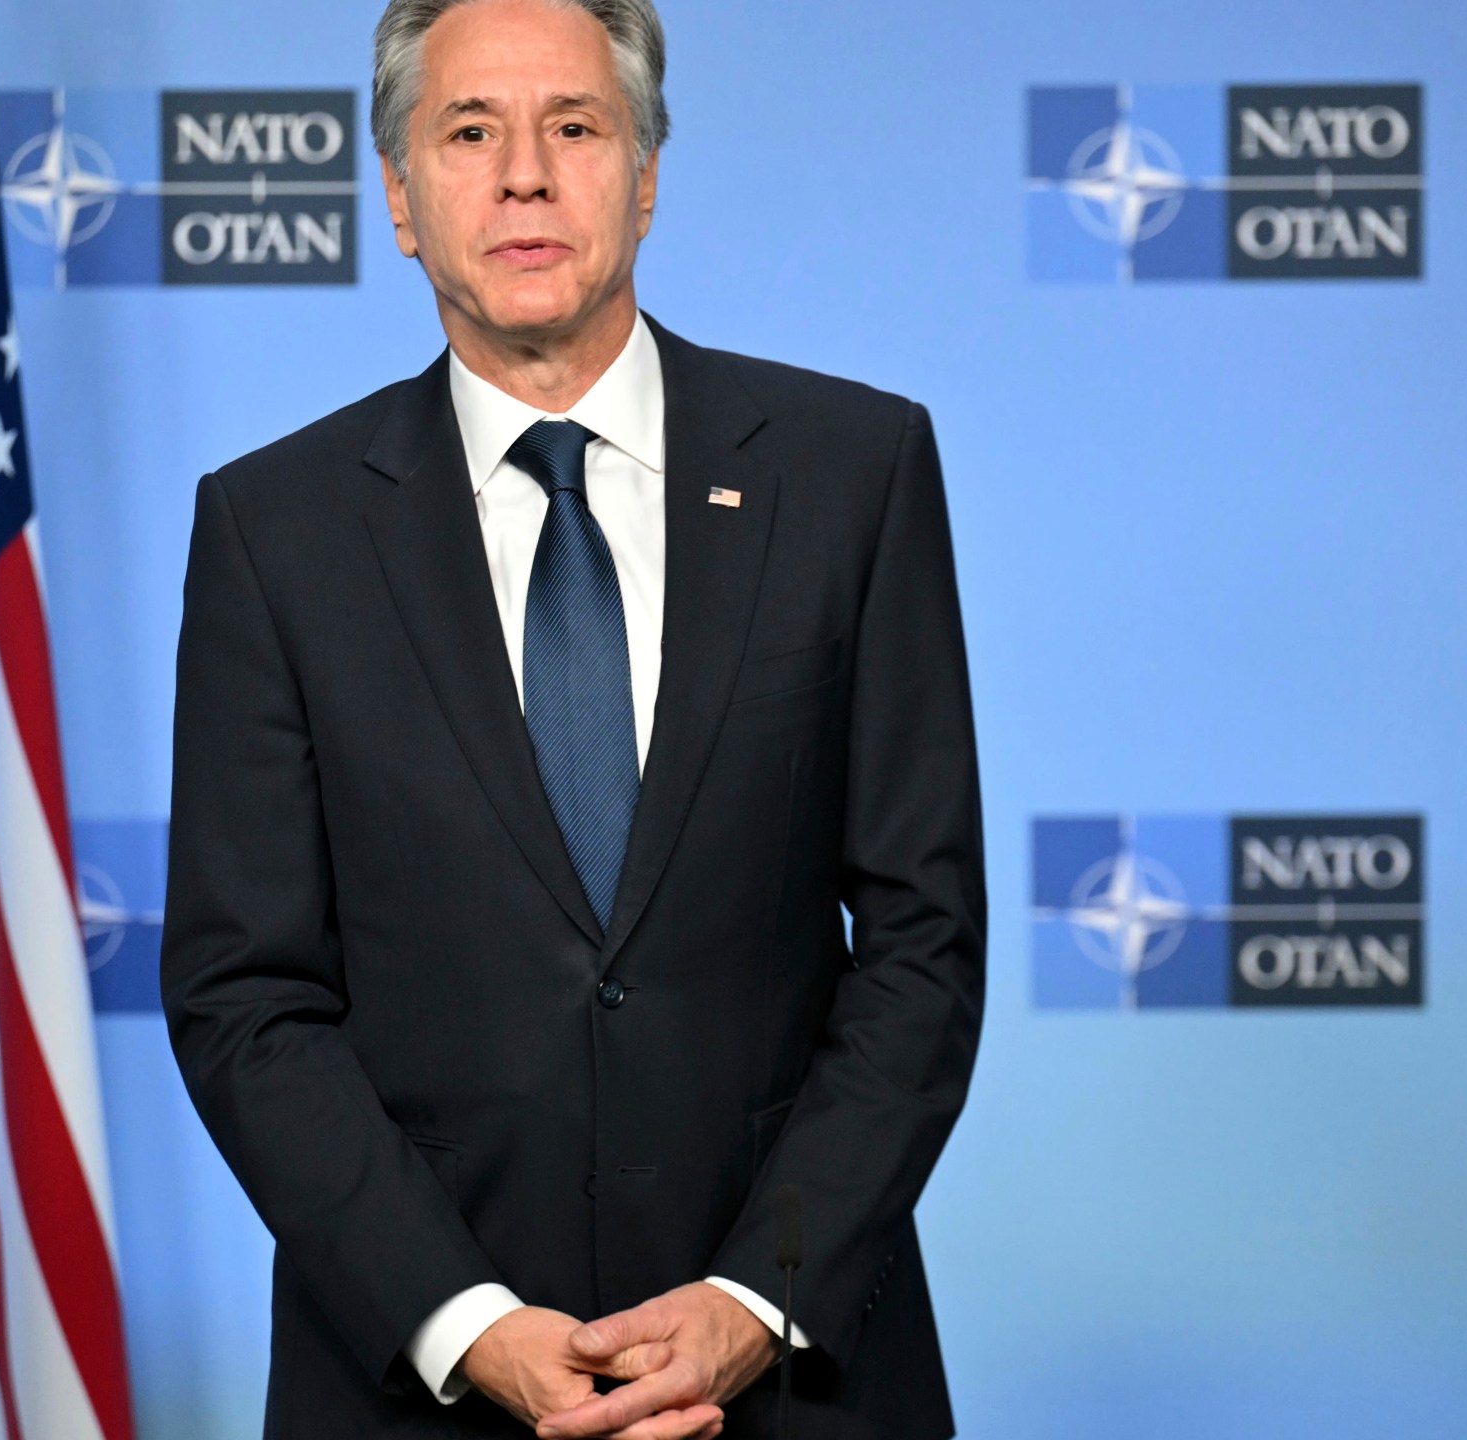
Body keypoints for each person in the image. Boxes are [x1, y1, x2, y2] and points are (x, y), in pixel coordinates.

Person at [161, 0, 984, 1434]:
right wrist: (469, 1326)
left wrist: (754, 1301)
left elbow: (923, 946)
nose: (524, 173)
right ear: (401, 198)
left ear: (647, 176)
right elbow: (247, 999)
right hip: (421, 1397)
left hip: (789, 1388)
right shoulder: (271, 532)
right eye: (469, 131)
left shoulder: (855, 475)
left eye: (576, 126)